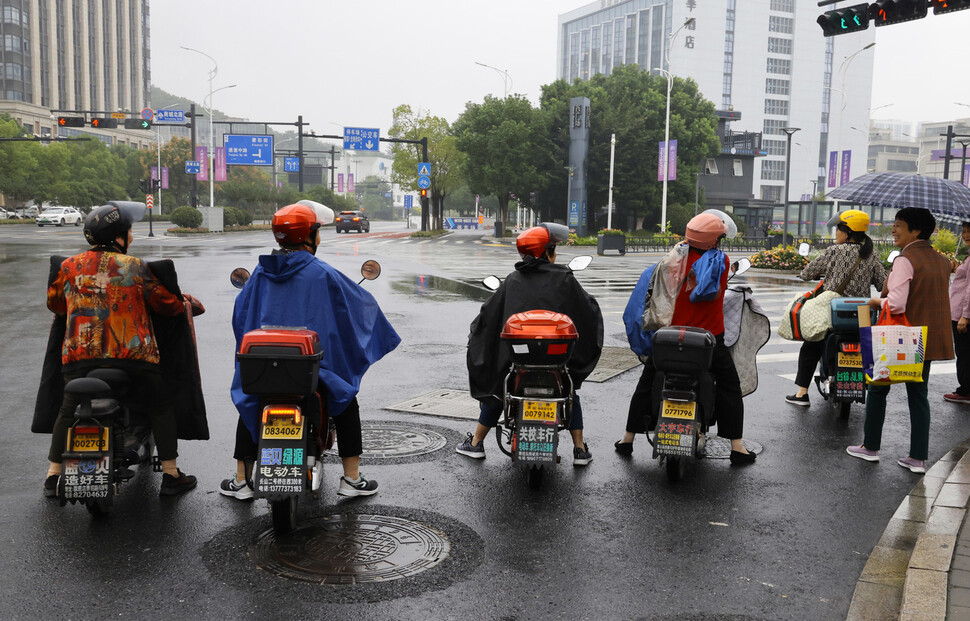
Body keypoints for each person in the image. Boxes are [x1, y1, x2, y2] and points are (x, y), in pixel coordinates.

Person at [224, 203, 400, 499]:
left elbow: (241, 317)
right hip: (314, 372)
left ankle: (242, 480)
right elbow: (358, 308)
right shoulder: (322, 273)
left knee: (252, 399)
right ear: (310, 236)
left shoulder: (259, 274)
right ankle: (352, 478)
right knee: (345, 400)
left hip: (265, 369)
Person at [43, 203, 198, 497]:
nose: (132, 236)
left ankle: (52, 476)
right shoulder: (136, 267)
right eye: (129, 231)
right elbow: (167, 305)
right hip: (135, 359)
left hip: (79, 359)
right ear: (119, 237)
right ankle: (170, 473)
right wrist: (184, 302)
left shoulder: (67, 267)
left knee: (68, 408)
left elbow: (56, 305)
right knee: (160, 406)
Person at [614, 212, 756, 465]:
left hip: (668, 338)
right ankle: (737, 447)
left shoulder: (671, 259)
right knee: (729, 386)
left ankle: (627, 439)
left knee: (646, 383)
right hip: (708, 341)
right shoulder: (720, 260)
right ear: (714, 240)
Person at [457, 223, 603, 464]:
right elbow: (588, 311)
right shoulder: (565, 278)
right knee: (569, 391)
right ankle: (579, 449)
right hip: (557, 358)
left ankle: (476, 444)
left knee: (499, 389)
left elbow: (488, 317)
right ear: (546, 252)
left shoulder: (513, 280)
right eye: (553, 248)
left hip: (518, 357)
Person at [847, 207, 954, 473]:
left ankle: (870, 447)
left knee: (878, 389)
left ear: (915, 230)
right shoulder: (941, 261)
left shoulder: (905, 259)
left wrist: (875, 300)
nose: (893, 230)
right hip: (926, 340)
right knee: (919, 396)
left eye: (898, 225)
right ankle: (918, 458)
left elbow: (895, 304)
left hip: (900, 337)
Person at [785, 209, 887, 406]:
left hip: (833, 313)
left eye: (838, 230)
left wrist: (812, 274)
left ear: (847, 232)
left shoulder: (834, 251)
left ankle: (802, 393)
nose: (836, 234)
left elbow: (807, 273)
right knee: (867, 345)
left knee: (811, 344)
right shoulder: (871, 254)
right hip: (863, 314)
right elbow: (883, 284)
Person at [944, 221, 970, 404]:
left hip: (963, 315)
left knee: (965, 352)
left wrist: (965, 316)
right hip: (962, 313)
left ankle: (965, 391)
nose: (966, 235)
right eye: (964, 231)